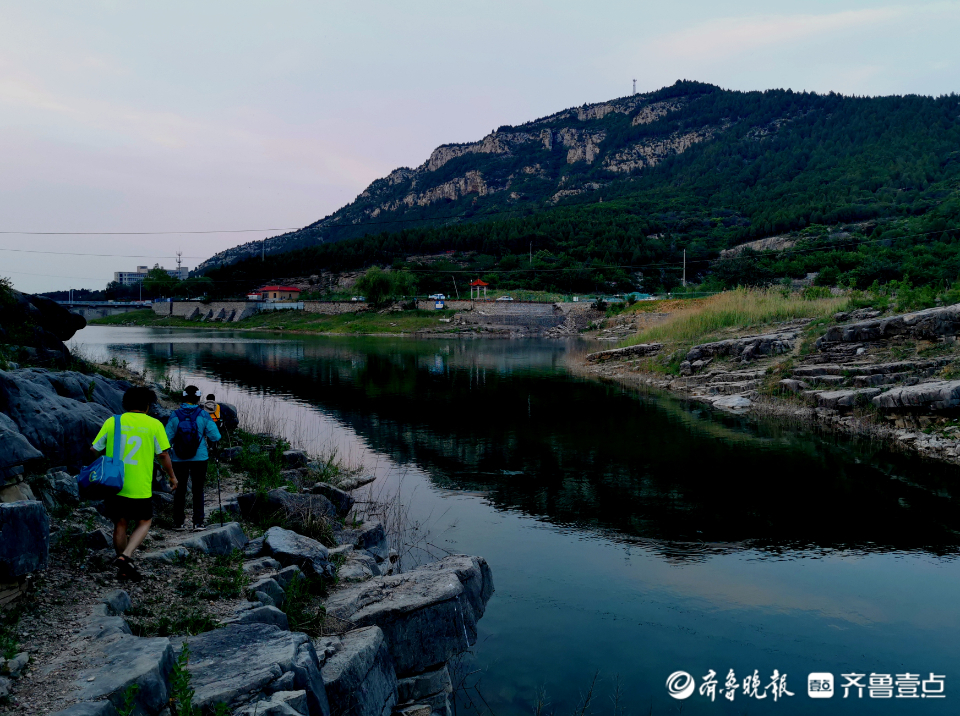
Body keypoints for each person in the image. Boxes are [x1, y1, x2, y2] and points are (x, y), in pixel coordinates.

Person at [90, 386, 177, 581]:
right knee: (144, 520)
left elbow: (94, 449)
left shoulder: (114, 421)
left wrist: (102, 462)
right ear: (147, 405)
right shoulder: (154, 425)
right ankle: (126, 555)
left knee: (120, 523)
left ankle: (123, 568)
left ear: (126, 404)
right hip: (140, 484)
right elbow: (163, 454)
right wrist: (172, 476)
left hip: (115, 483)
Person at [166, 385, 221, 530]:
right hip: (200, 457)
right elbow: (215, 436)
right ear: (198, 398)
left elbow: (166, 439)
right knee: (198, 488)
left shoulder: (175, 415)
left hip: (178, 458)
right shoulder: (203, 414)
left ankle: (178, 522)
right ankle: (198, 522)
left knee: (180, 489)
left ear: (184, 397)